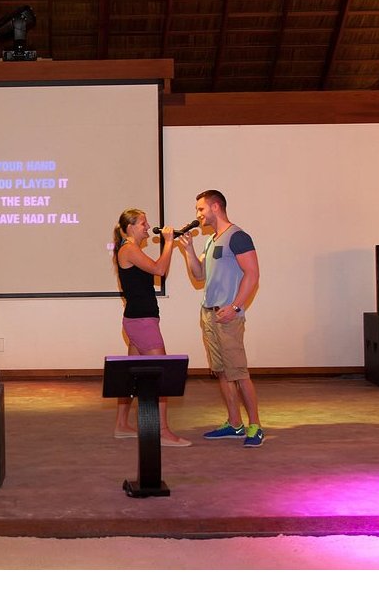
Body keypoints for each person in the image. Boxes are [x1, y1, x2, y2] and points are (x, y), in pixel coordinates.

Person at [176, 190, 265, 447]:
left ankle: (255, 426)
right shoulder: (210, 240)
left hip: (228, 317)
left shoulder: (237, 237)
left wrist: (236, 307)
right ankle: (235, 424)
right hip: (209, 314)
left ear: (216, 207)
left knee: (239, 372)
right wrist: (189, 250)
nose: (198, 215)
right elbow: (198, 275)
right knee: (222, 372)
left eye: (201, 209)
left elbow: (252, 274)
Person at [112, 208, 191, 447]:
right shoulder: (129, 249)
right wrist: (169, 243)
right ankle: (162, 431)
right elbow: (159, 270)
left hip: (138, 321)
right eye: (143, 223)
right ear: (130, 227)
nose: (148, 227)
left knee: (131, 376)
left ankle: (121, 425)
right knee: (161, 374)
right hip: (141, 322)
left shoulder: (131, 249)